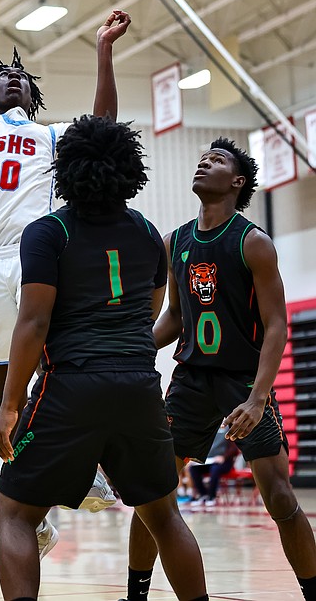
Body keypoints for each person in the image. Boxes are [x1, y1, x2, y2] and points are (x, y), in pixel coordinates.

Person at [0, 0, 130, 536]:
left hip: (39, 253)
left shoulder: (53, 137)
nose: (6, 78)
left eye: (18, 78)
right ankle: (38, 502)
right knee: (2, 387)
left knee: (56, 369)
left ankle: (87, 468)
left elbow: (103, 130)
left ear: (32, 97)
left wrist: (103, 52)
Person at [0, 115, 209, 601]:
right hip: (139, 386)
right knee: (164, 515)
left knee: (15, 513)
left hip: (70, 385)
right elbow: (148, 314)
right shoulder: (148, 232)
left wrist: (9, 405)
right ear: (129, 168)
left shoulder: (48, 231)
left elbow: (34, 322)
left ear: (64, 168)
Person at [123, 138, 316, 601]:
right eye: (202, 158)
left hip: (242, 381)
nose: (204, 162)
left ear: (237, 182)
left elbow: (276, 325)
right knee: (153, 492)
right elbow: (176, 316)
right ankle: (135, 595)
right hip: (190, 379)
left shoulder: (253, 242)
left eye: (217, 160)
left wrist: (258, 398)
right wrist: (131, 349)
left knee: (280, 497)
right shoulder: (175, 241)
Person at [187, 424, 237, 507]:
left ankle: (211, 496)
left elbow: (234, 449)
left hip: (224, 462)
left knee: (215, 469)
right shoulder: (208, 429)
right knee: (193, 469)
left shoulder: (229, 429)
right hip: (209, 461)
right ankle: (203, 495)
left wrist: (224, 457)